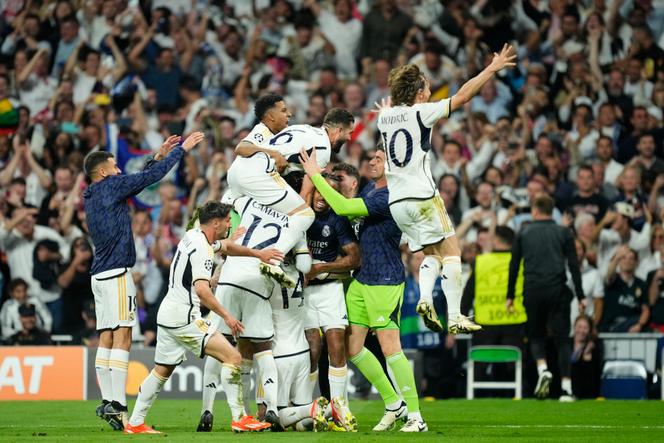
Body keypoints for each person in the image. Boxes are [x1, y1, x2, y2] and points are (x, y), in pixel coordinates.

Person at [376, 43, 516, 334]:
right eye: (426, 86)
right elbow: (463, 97)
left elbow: (389, 113)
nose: (430, 90)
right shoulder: (422, 112)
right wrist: (492, 68)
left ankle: (426, 298)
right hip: (422, 196)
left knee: (431, 256)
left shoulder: (384, 117)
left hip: (397, 202)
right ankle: (454, 315)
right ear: (417, 93)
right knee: (453, 252)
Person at [125, 201, 282, 434]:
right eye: (228, 220)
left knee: (161, 370)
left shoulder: (194, 235)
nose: (231, 224)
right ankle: (240, 418)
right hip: (185, 317)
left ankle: (135, 422)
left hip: (168, 313)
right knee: (233, 357)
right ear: (215, 223)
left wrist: (258, 253)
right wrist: (227, 316)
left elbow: (227, 247)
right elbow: (202, 289)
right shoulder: (202, 249)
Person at [83, 132, 204, 430]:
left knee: (108, 336)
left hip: (98, 274)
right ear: (103, 172)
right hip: (117, 272)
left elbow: (139, 177)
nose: (118, 169)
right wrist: (180, 152)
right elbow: (151, 178)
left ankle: (109, 401)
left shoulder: (92, 193)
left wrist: (158, 156)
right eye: (114, 166)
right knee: (124, 335)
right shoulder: (111, 186)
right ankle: (120, 407)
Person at [300, 147, 425, 432]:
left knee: (390, 347)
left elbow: (343, 207)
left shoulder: (389, 196)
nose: (372, 161)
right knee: (353, 349)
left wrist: (314, 175)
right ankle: (394, 404)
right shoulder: (370, 192)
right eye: (372, 157)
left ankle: (416, 416)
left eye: (380, 159)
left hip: (385, 277)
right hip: (362, 278)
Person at [198, 192, 295, 431]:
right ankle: (271, 408)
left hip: (229, 280)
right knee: (263, 347)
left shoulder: (245, 207)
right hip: (257, 283)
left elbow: (215, 242)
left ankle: (206, 411)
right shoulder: (291, 217)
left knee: (217, 346)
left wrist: (229, 244)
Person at [227, 107, 354, 287]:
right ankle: (273, 261)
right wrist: (300, 230)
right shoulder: (323, 149)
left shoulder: (303, 128)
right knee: (305, 215)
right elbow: (307, 191)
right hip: (260, 175)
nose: (349, 138)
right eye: (349, 133)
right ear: (338, 130)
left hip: (238, 170)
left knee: (240, 209)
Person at [507, 195, 586, 402]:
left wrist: (509, 296)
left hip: (532, 291)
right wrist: (581, 295)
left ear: (534, 211)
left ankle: (543, 369)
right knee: (561, 340)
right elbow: (574, 265)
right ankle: (567, 389)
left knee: (536, 336)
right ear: (552, 211)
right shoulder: (563, 232)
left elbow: (514, 266)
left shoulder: (523, 233)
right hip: (557, 290)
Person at [303, 174, 359, 417]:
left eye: (328, 192)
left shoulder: (337, 220)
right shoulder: (300, 216)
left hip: (330, 290)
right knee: (312, 350)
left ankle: (339, 409)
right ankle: (304, 407)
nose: (322, 198)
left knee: (336, 347)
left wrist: (321, 268)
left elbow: (355, 258)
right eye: (318, 191)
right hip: (304, 295)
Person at [601, 246, 650, 333]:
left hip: (632, 325)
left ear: (636, 262)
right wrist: (617, 257)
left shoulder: (642, 284)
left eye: (631, 258)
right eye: (623, 258)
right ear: (619, 261)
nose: (627, 261)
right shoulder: (613, 280)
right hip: (612, 325)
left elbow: (645, 309)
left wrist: (639, 325)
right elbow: (609, 274)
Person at [570, 315, 602, 399]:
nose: (581, 331)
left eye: (585, 327)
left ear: (590, 330)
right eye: (579, 327)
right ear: (574, 327)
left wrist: (587, 355)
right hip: (565, 391)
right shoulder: (566, 345)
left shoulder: (594, 346)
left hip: (587, 394)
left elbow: (594, 376)